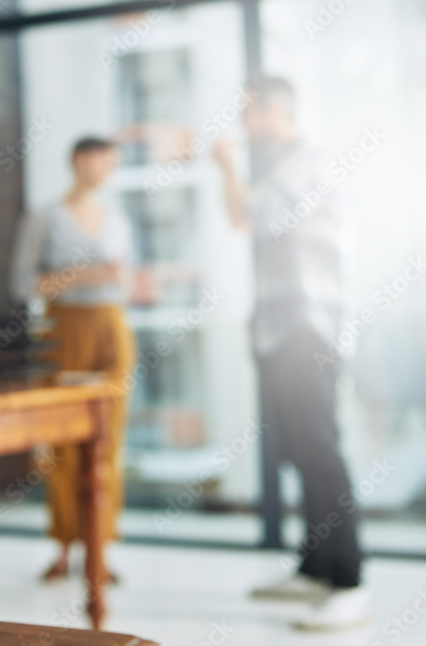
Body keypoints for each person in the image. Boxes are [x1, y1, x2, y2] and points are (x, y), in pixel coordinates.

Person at [213, 76, 369, 630]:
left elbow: (248, 217)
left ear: (275, 111)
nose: (242, 124)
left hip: (310, 327)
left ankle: (349, 583)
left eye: (248, 113)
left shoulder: (308, 161)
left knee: (320, 449)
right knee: (301, 450)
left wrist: (226, 167)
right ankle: (315, 568)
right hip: (279, 327)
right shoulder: (283, 164)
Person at [9, 136, 137, 582]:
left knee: (108, 442)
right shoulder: (44, 217)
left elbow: (126, 282)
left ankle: (100, 549)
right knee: (61, 442)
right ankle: (64, 546)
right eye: (105, 160)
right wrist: (82, 275)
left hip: (112, 329)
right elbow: (23, 284)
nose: (109, 170)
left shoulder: (117, 219)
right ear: (79, 160)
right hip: (64, 332)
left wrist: (117, 280)